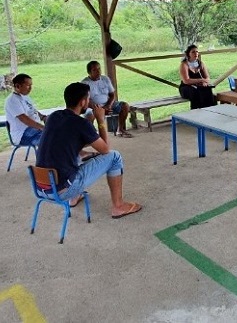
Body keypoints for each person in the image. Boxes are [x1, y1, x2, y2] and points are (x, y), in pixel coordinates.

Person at [36, 82, 142, 218]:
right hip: (63, 190)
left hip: (41, 186)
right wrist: (100, 120)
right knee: (114, 157)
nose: (90, 102)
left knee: (79, 156)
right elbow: (105, 149)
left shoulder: (53, 117)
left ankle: (74, 197)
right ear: (82, 102)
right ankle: (118, 206)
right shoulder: (81, 123)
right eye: (89, 99)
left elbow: (70, 141)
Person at [82, 61, 132, 138]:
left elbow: (112, 95)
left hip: (108, 105)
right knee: (89, 115)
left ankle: (120, 129)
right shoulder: (85, 83)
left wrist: (108, 105)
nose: (98, 71)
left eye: (99, 69)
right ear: (89, 72)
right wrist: (100, 109)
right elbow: (86, 101)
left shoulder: (105, 79)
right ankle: (92, 135)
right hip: (93, 107)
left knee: (125, 106)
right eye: (94, 70)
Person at [4, 73, 46, 146]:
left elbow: (33, 111)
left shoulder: (25, 97)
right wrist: (43, 127)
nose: (30, 88)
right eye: (28, 85)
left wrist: (43, 117)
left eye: (31, 85)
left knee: (56, 133)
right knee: (50, 139)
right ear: (17, 86)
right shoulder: (12, 100)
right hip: (22, 134)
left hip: (33, 130)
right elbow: (25, 119)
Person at [179, 44, 216, 109]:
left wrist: (205, 82)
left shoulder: (200, 63)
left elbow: (207, 78)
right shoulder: (184, 64)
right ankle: (196, 113)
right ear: (188, 54)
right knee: (196, 92)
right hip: (186, 87)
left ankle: (210, 111)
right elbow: (186, 81)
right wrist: (201, 80)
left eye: (197, 52)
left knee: (208, 90)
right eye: (193, 52)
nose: (196, 53)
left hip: (199, 86)